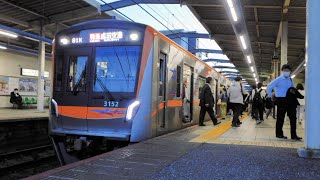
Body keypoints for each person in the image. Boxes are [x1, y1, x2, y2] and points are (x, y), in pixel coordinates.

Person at [266, 64, 294, 139]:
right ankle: (279, 134)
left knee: (293, 118)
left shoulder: (291, 79)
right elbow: (269, 87)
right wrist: (270, 95)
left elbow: (293, 89)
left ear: (290, 71)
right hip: (281, 100)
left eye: (288, 71)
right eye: (285, 70)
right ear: (282, 71)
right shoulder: (278, 79)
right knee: (280, 118)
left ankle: (294, 135)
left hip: (289, 100)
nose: (286, 72)